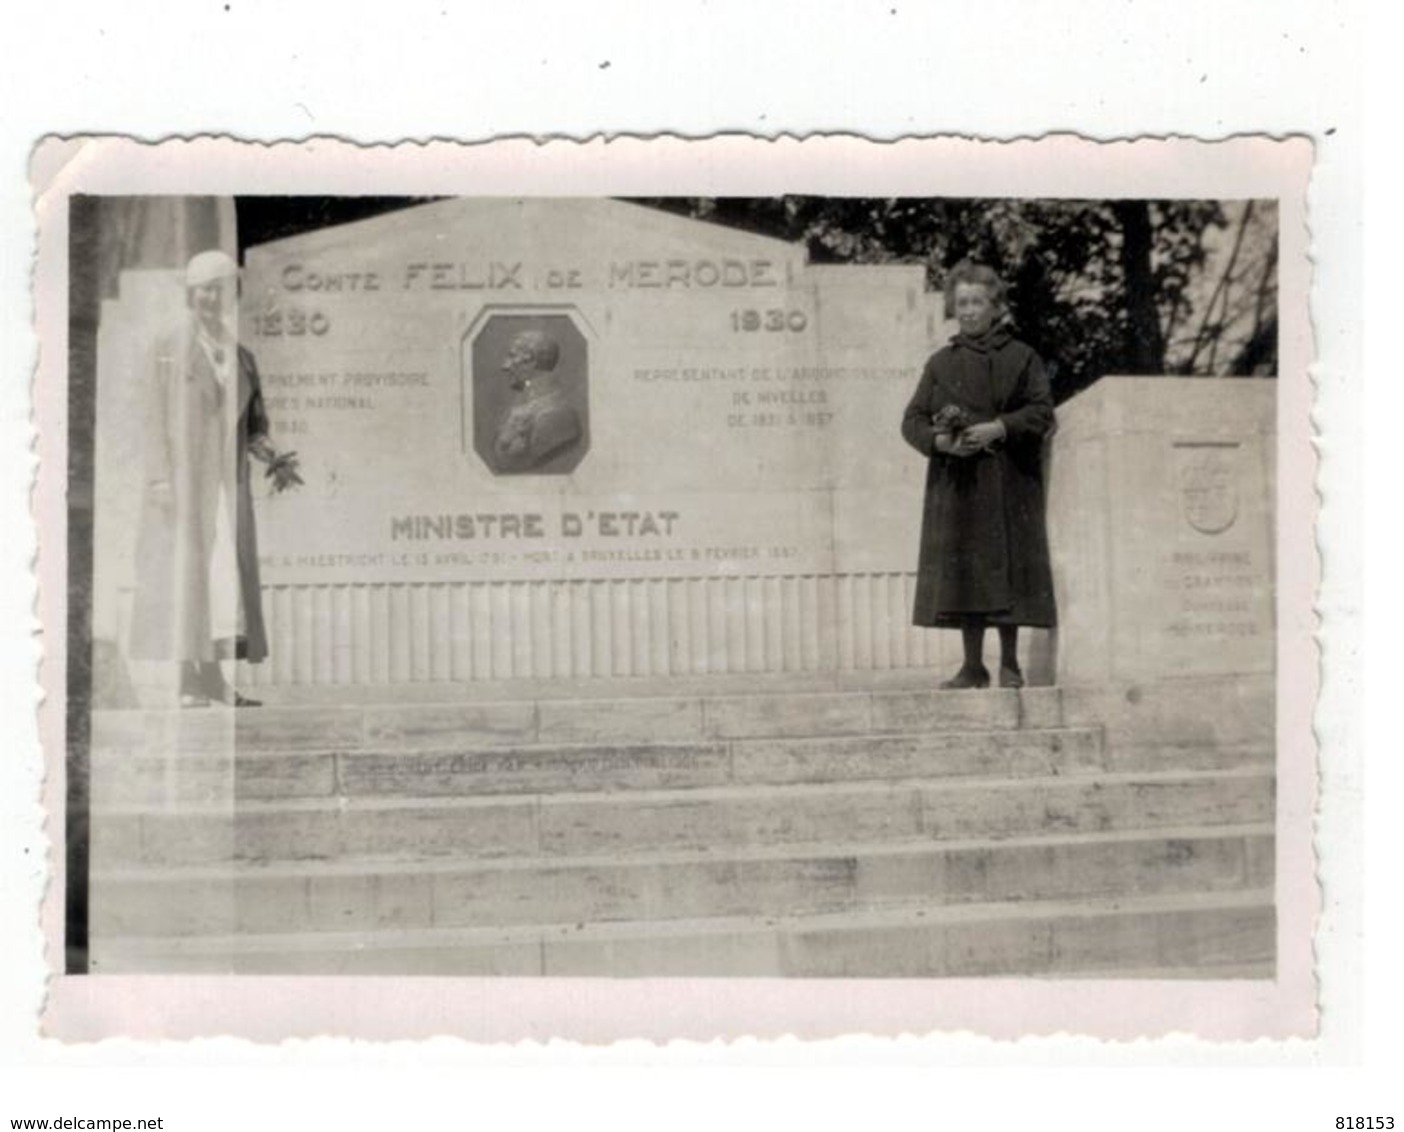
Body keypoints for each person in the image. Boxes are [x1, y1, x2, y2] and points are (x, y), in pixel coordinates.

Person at [129, 250, 298, 707]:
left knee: (223, 579)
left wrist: (271, 454)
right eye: (203, 288)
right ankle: (189, 680)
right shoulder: (167, 348)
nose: (210, 297)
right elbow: (152, 421)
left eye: (219, 290)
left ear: (230, 295)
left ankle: (214, 678)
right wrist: (160, 480)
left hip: (226, 487)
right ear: (191, 293)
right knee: (186, 577)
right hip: (183, 484)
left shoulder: (242, 357)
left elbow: (254, 426)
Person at [901, 261, 1057, 689]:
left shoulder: (1022, 357)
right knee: (965, 571)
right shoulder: (940, 363)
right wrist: (940, 442)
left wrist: (999, 427)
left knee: (1008, 570)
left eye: (977, 302)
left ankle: (1009, 663)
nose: (968, 310)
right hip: (959, 485)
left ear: (996, 307)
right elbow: (911, 420)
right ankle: (973, 666)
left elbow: (1042, 411)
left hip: (1008, 481)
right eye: (961, 302)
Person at [491, 328, 582, 473]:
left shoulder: (558, 415)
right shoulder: (519, 407)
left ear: (531, 362)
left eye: (512, 357)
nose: (505, 366)